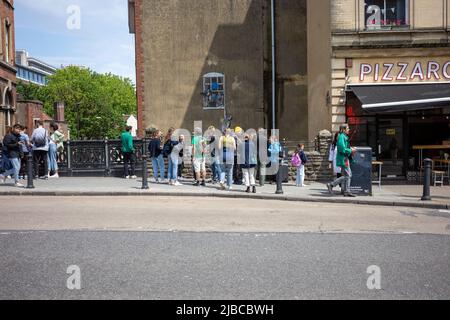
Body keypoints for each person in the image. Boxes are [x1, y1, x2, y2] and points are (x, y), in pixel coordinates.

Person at [327, 124, 357, 197]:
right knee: (348, 175)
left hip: (345, 158)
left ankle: (345, 190)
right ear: (343, 130)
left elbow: (344, 148)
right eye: (347, 128)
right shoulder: (341, 137)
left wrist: (350, 149)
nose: (349, 129)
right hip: (344, 159)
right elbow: (342, 149)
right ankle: (331, 185)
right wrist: (351, 150)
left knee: (347, 175)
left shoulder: (343, 137)